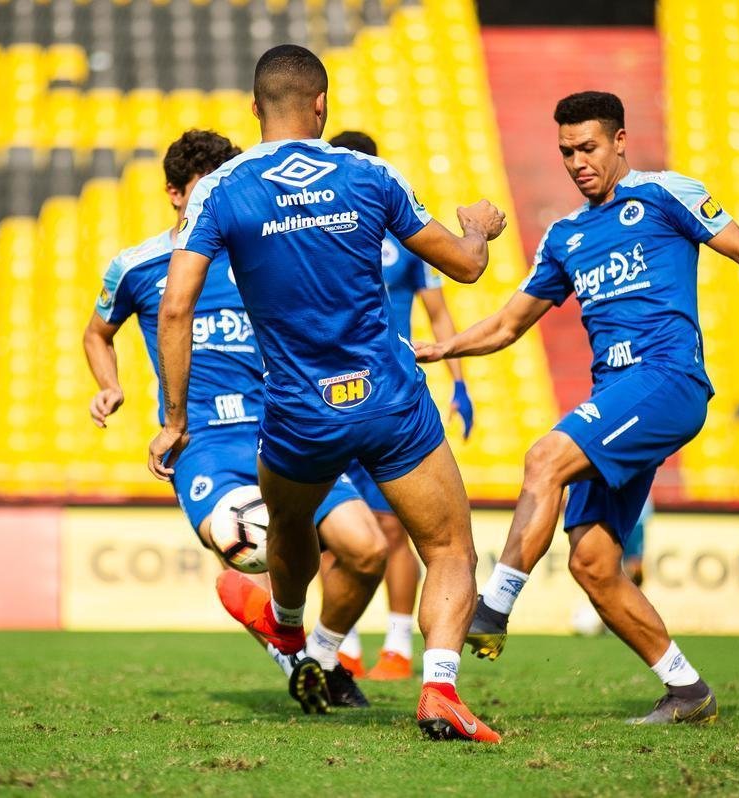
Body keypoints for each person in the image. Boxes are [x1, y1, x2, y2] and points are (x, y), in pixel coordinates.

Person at [147, 46, 508, 743]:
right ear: (322, 106)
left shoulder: (222, 189)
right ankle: (438, 690)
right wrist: (479, 227)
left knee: (289, 530)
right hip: (389, 403)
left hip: (297, 413)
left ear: (255, 109)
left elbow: (174, 308)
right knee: (450, 548)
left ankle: (287, 627)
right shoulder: (370, 174)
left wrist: (172, 420)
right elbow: (464, 268)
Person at [416, 91, 739, 724]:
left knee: (545, 455)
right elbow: (508, 325)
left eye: (587, 147)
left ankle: (494, 606)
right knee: (592, 561)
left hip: (668, 380)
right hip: (615, 397)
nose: (576, 162)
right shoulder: (564, 237)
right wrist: (444, 346)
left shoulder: (669, 194)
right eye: (565, 151)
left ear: (619, 141)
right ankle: (688, 691)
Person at [83, 129, 387, 715]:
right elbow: (97, 333)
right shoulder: (138, 266)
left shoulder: (265, 256)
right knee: (247, 546)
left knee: (367, 549)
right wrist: (110, 384)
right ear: (175, 194)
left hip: (285, 430)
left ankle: (319, 658)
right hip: (204, 445)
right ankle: (304, 662)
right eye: (204, 189)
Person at [325, 129, 476, 681]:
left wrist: (459, 381)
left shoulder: (402, 233)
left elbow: (438, 315)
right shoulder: (314, 235)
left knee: (393, 531)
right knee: (337, 532)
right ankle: (339, 645)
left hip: (392, 391)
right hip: (333, 391)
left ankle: (396, 645)